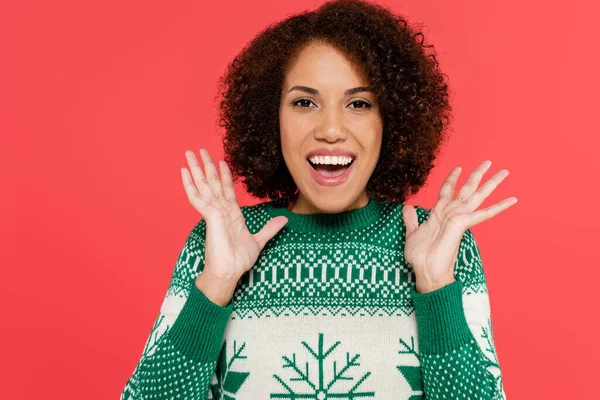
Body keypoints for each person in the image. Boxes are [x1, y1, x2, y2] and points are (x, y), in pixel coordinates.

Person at [120, 0, 515, 398]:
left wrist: (435, 285)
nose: (330, 129)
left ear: (390, 121)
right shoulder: (218, 244)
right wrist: (216, 284)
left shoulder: (443, 246)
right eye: (304, 102)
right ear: (271, 117)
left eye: (358, 104)